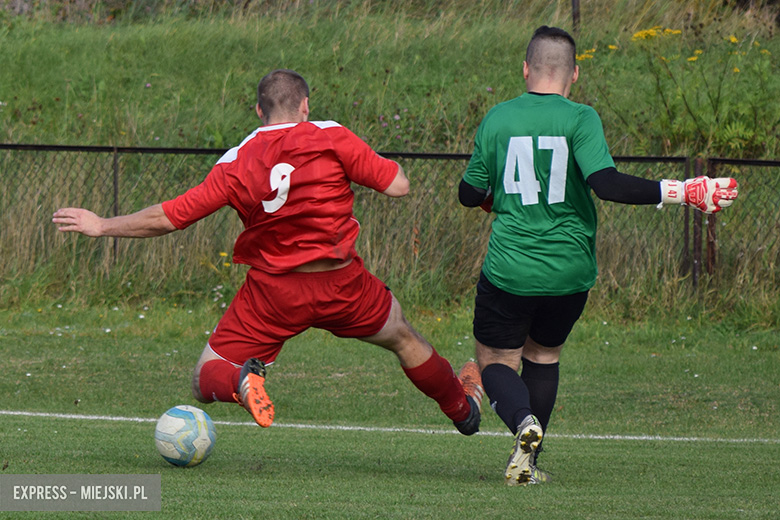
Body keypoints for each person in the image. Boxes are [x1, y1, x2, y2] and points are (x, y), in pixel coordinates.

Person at [53, 69, 483, 437]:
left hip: (274, 293)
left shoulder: (236, 161)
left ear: (259, 111)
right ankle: (462, 412)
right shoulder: (331, 136)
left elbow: (170, 217)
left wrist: (102, 225)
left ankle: (240, 381)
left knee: (205, 378)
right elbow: (398, 186)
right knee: (405, 338)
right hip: (342, 283)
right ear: (305, 106)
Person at [458, 26, 739, 486]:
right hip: (571, 271)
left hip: (510, 268)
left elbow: (469, 193)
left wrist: (492, 194)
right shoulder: (581, 117)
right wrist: (684, 190)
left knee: (493, 360)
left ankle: (522, 422)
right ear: (573, 76)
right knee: (544, 356)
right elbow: (606, 184)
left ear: (526, 68)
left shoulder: (498, 118)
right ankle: (529, 457)